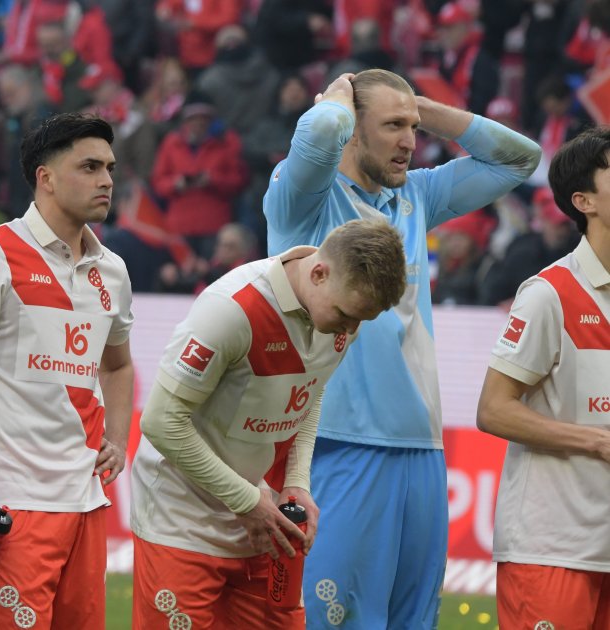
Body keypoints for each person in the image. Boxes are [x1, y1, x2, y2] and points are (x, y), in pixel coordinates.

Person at [263, 68, 541, 628]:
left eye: (413, 127)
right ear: (352, 131)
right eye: (393, 126)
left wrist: (424, 108)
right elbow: (316, 137)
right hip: (336, 446)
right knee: (336, 619)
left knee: (413, 620)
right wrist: (340, 99)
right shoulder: (303, 201)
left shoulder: (416, 195)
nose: (411, 141)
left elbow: (520, 159)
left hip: (422, 451)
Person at [131, 219, 407, 628]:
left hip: (263, 521)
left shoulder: (338, 312)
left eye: (362, 321)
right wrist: (246, 500)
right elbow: (160, 422)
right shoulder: (232, 309)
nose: (351, 331)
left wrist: (297, 482)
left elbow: (309, 390)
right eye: (348, 315)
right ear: (318, 272)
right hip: (181, 522)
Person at [0, 112, 135, 628]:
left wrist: (117, 434)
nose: (107, 180)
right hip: (12, 503)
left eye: (110, 168)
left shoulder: (112, 270)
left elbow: (118, 365)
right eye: (89, 166)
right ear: (45, 177)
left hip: (86, 502)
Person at [477, 126, 610, 628]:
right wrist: (595, 442)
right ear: (584, 201)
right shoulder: (548, 294)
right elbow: (493, 409)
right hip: (553, 550)